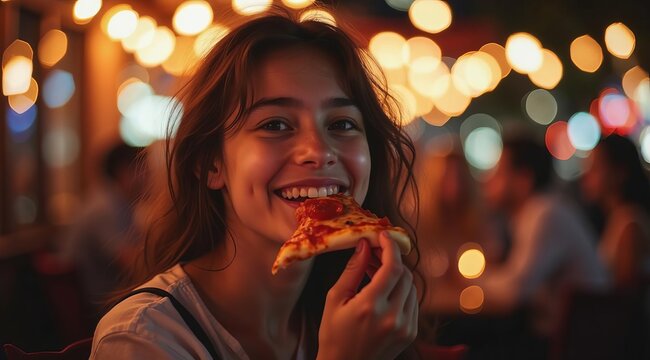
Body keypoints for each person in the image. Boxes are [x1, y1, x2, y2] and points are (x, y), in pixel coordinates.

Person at [90, 10, 420, 360]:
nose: (319, 152)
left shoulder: (369, 319)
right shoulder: (143, 338)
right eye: (275, 125)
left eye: (342, 123)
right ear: (209, 163)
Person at [477, 131, 609, 334]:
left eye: (499, 172)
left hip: (581, 343)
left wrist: (471, 280)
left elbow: (515, 290)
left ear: (524, 180)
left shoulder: (545, 214)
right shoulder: (532, 214)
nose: (488, 180)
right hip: (569, 335)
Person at [59, 141, 146, 320]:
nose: (149, 177)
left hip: (100, 299)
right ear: (125, 172)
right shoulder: (105, 208)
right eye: (145, 169)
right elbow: (132, 262)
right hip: (98, 306)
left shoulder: (114, 201)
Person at [580, 134, 650, 288]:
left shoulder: (631, 226)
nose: (586, 176)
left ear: (620, 173)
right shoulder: (616, 219)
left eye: (595, 168)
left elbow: (626, 298)